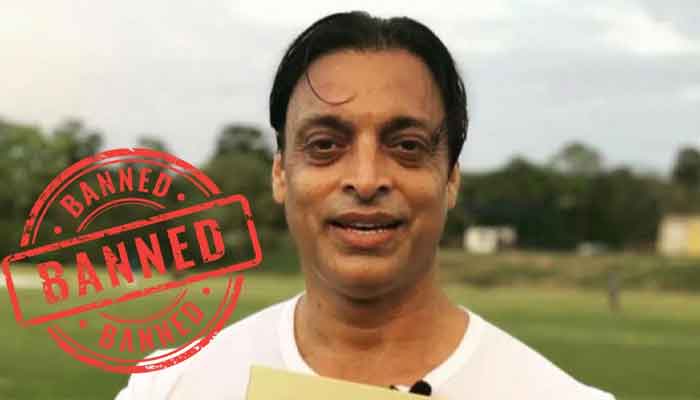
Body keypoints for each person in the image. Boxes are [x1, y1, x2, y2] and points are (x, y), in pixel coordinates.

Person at [116, 11, 615, 399]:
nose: (366, 179)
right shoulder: (172, 388)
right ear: (280, 174)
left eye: (407, 146)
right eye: (325, 146)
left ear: (451, 179)